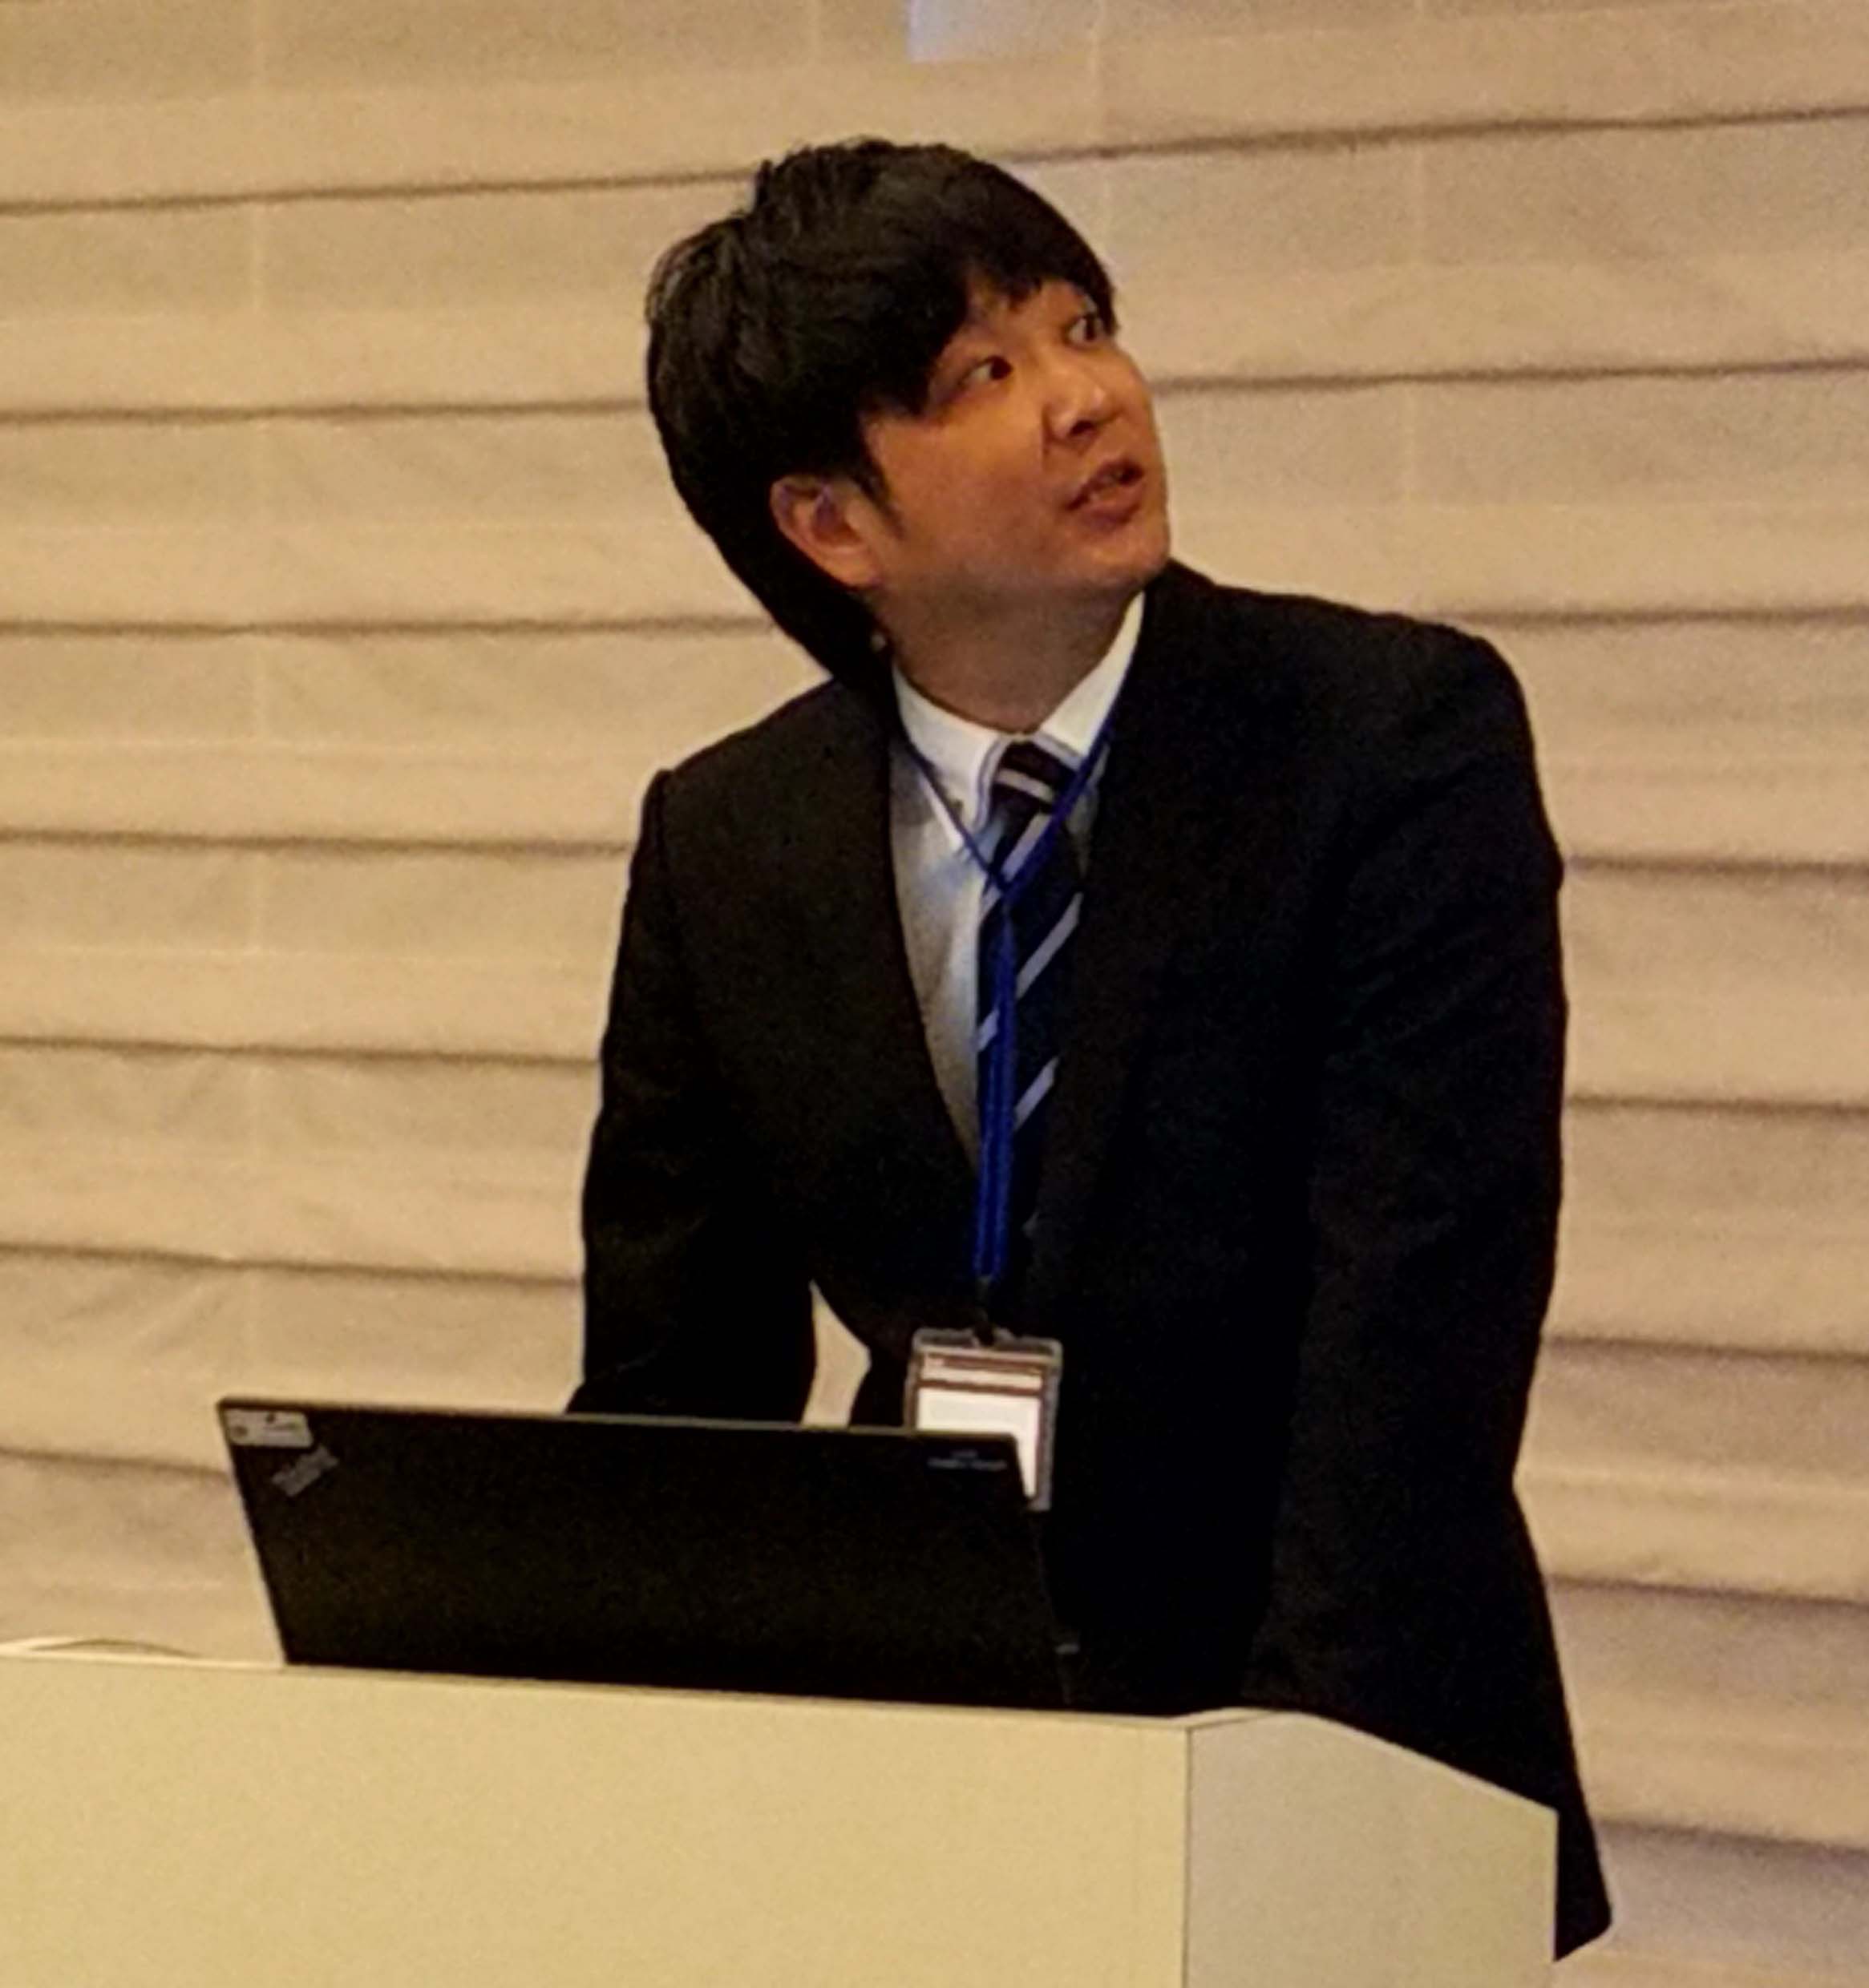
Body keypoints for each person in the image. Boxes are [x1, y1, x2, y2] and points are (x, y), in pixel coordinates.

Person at [570, 138, 1611, 1956]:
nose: (1086, 398)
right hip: (921, 1803)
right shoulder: (729, 838)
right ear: (829, 525)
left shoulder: (1382, 743)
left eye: (1082, 325)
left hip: (1346, 1778)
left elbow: (1416, 1348)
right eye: (984, 371)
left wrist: (1271, 1828)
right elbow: (680, 1400)